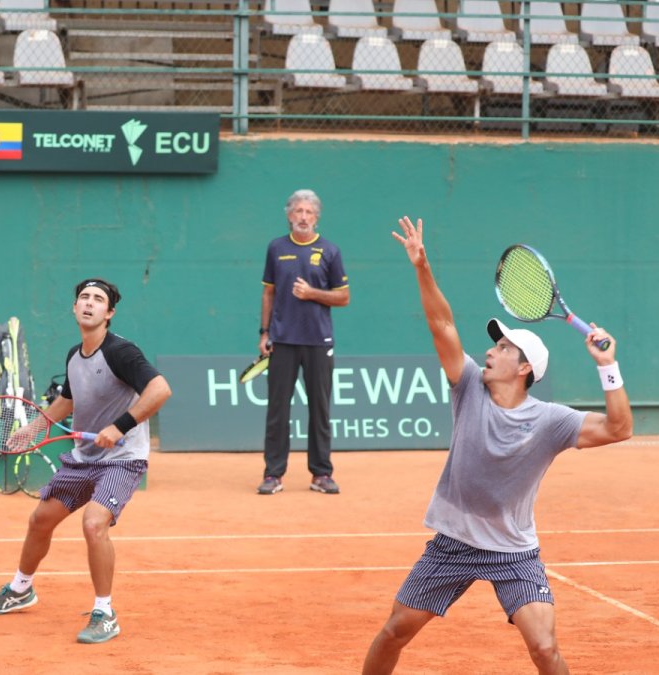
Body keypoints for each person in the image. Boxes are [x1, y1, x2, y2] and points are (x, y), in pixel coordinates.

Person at [362, 217, 633, 675]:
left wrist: (608, 365)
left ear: (524, 367)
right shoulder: (468, 386)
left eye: (503, 347)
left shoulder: (550, 421)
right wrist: (421, 267)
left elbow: (618, 428)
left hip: (513, 551)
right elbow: (441, 323)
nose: (490, 351)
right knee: (394, 632)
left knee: (545, 649)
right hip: (453, 542)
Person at [0, 278, 172, 645]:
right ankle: (21, 589)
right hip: (85, 457)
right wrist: (35, 427)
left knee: (94, 523)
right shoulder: (73, 355)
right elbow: (67, 399)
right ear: (74, 307)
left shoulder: (122, 352)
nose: (89, 304)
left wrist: (120, 426)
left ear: (109, 313)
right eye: (84, 298)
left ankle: (104, 612)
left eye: (98, 300)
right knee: (40, 519)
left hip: (122, 459)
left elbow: (160, 389)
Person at [257, 189, 350, 495]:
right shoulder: (276, 248)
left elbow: (343, 297)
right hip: (282, 341)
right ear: (289, 215)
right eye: (298, 211)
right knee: (277, 410)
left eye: (309, 212)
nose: (303, 217)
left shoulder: (330, 251)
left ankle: (321, 474)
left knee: (320, 410)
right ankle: (273, 474)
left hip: (318, 342)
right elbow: (268, 293)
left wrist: (312, 293)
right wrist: (264, 333)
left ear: (317, 217)